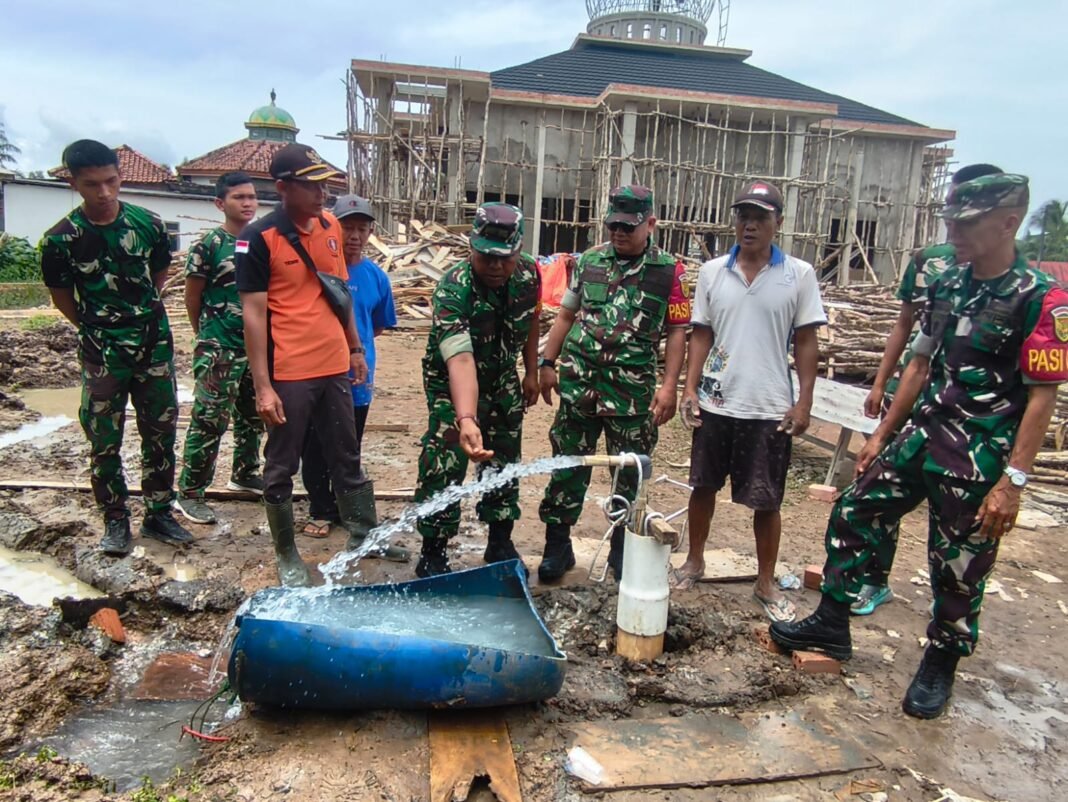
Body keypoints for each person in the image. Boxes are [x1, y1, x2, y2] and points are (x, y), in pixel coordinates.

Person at [770, 173, 1068, 719]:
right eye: (950, 220)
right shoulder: (949, 283)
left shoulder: (1041, 300)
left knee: (958, 563)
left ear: (1008, 222)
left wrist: (1014, 481)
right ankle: (833, 623)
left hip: (978, 455)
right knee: (855, 511)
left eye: (967, 222)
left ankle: (941, 662)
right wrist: (881, 435)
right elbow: (920, 360)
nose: (952, 230)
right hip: (921, 436)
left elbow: (1042, 398)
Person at [235, 143, 406, 587]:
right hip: (290, 371)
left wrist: (354, 349)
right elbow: (253, 316)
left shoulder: (329, 226)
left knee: (346, 454)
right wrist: (263, 386)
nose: (322, 194)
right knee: (282, 463)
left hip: (335, 368)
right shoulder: (258, 240)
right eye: (311, 186)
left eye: (324, 183)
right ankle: (287, 552)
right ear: (282, 188)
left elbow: (340, 292)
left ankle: (364, 534)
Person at [673, 181, 826, 623]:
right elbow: (700, 334)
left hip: (768, 405)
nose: (749, 225)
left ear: (777, 223)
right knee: (702, 485)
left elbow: (806, 340)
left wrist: (804, 403)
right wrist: (689, 389)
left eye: (760, 217)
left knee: (767, 499)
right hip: (717, 400)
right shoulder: (712, 272)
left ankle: (764, 581)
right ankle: (694, 561)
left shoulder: (798, 275)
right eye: (743, 215)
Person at [40, 139, 193, 555]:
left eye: (111, 181)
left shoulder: (149, 224)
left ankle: (160, 512)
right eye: (92, 185)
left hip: (152, 344)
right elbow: (62, 297)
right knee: (104, 437)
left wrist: (135, 317)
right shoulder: (61, 240)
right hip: (102, 351)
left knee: (160, 431)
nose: (104, 193)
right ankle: (115, 519)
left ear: (120, 176)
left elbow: (158, 275)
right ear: (74, 183)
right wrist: (99, 326)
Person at [537, 185, 690, 583]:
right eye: (613, 226)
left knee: (630, 476)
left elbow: (677, 332)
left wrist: (669, 385)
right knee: (567, 467)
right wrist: (547, 362)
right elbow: (566, 317)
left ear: (650, 224)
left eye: (628, 227)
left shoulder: (669, 272)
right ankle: (558, 546)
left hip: (632, 395)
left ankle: (621, 551)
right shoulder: (588, 261)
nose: (619, 233)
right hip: (580, 387)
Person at [413, 203, 541, 578]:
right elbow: (461, 359)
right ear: (471, 247)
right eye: (487, 257)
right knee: (445, 461)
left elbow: (532, 319)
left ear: (518, 251)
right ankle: (433, 549)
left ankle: (500, 539)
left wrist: (531, 371)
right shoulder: (454, 289)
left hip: (503, 378)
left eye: (506, 258)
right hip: (450, 386)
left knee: (503, 458)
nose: (497, 266)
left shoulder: (529, 273)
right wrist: (466, 417)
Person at [300, 195, 397, 539]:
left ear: (370, 232)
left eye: (362, 228)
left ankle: (345, 507)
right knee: (314, 445)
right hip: (316, 371)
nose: (354, 236)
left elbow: (379, 324)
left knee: (349, 445)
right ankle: (320, 508)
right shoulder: (315, 270)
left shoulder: (376, 278)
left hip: (357, 375)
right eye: (347, 227)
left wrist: (359, 349)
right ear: (332, 227)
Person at [173, 172, 265, 525]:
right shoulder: (209, 245)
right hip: (219, 347)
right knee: (210, 420)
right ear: (220, 203)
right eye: (239, 197)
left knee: (252, 415)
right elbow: (192, 297)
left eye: (252, 197)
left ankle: (244, 472)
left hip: (255, 347)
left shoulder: (260, 243)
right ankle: (191, 492)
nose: (247, 203)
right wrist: (207, 337)